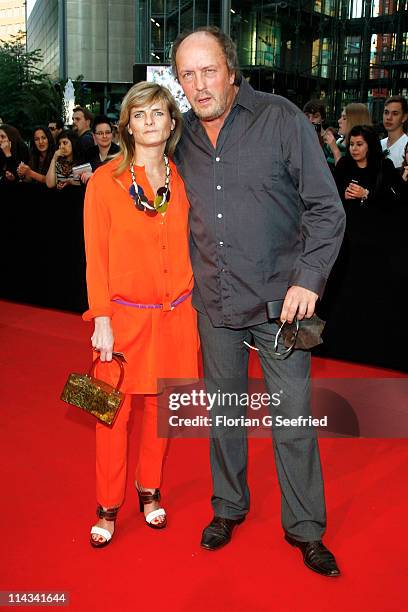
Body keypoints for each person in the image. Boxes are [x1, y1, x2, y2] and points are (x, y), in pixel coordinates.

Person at [172, 26, 345, 577]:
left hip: (281, 307)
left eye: (208, 70)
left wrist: (308, 279)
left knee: (292, 421)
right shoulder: (183, 139)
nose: (199, 85)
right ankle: (228, 507)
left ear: (231, 68)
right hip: (215, 305)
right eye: (187, 75)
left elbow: (326, 208)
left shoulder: (281, 119)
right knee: (224, 415)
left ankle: (306, 530)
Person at [83, 81, 199, 548]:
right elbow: (95, 257)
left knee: (162, 411)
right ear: (127, 125)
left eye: (158, 113)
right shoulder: (103, 182)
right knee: (109, 416)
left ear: (172, 123)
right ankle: (107, 506)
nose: (149, 121)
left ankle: (148, 488)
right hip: (122, 319)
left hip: (177, 315)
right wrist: (101, 320)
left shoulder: (183, 176)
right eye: (139, 114)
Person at [334, 124, 402, 208]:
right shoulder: (343, 163)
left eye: (359, 144)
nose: (354, 148)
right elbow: (332, 191)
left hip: (376, 218)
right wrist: (343, 194)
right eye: (351, 144)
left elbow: (396, 198)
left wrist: (366, 194)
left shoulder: (384, 165)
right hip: (347, 218)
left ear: (370, 146)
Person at [81, 115, 120, 183]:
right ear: (94, 136)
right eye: (100, 133)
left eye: (107, 132)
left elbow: (120, 179)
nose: (104, 136)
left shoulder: (119, 153)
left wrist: (95, 176)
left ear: (111, 134)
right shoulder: (89, 153)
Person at [380, 95, 408, 168]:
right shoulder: (379, 144)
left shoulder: (406, 146)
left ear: (404, 117)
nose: (389, 117)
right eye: (386, 112)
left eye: (395, 113)